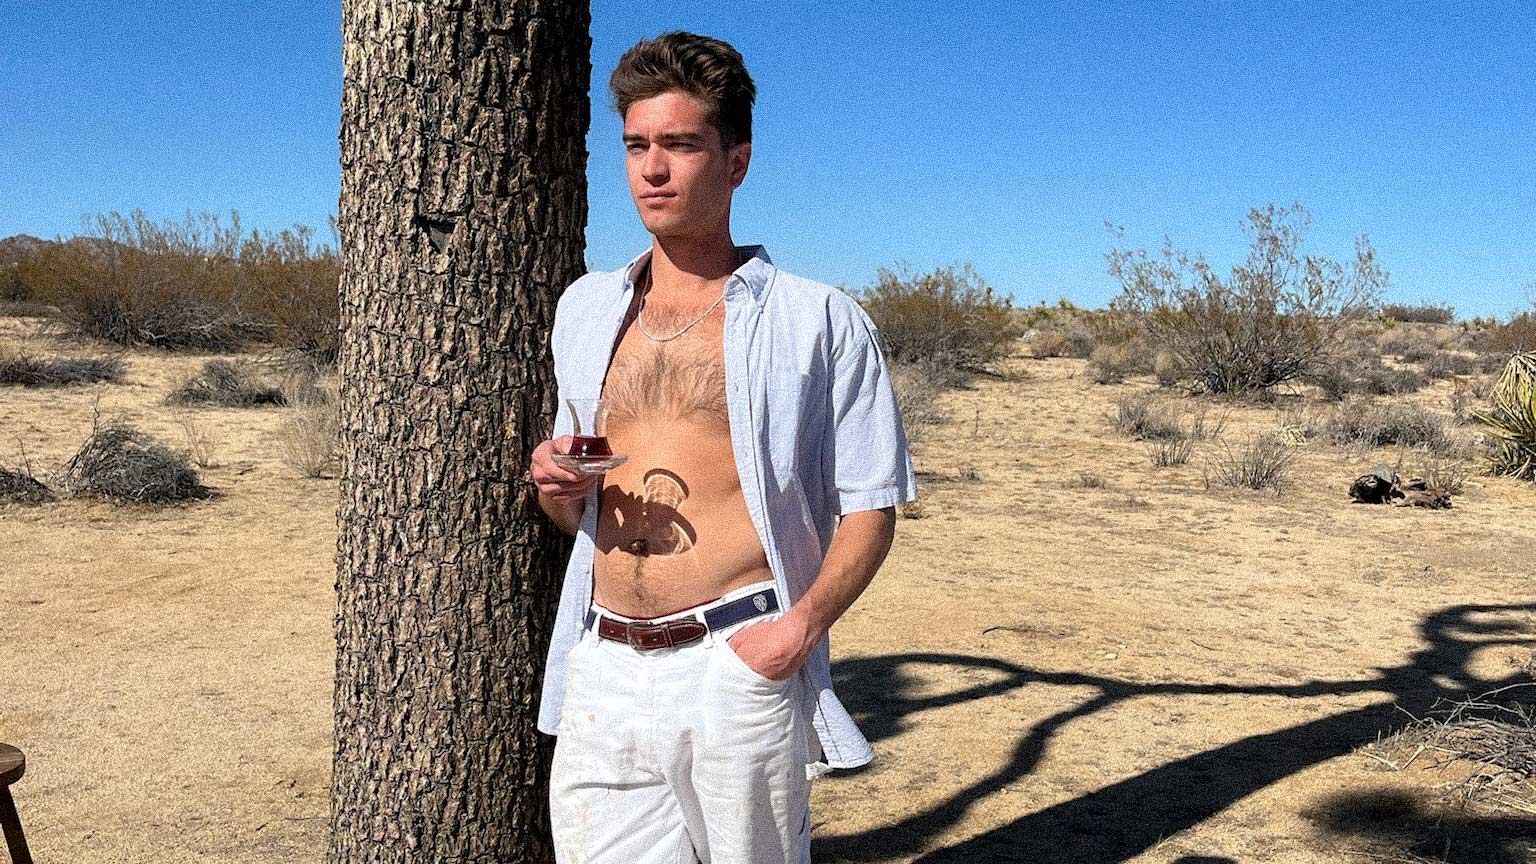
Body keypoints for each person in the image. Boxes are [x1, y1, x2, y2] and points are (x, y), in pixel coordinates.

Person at [530, 30, 917, 864]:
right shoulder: (587, 310)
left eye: (680, 144)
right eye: (636, 145)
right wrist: (557, 484)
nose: (652, 170)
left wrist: (796, 632)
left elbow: (872, 507)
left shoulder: (817, 321)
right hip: (602, 663)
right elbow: (572, 516)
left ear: (736, 162)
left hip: (735, 659)